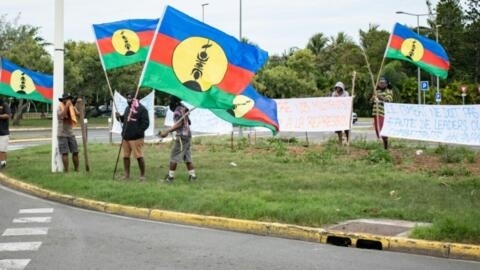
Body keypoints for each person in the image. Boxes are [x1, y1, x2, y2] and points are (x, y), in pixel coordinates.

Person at [159, 95, 196, 183]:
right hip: (187, 135)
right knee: (187, 157)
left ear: (174, 102)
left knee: (174, 156)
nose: (169, 104)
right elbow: (188, 122)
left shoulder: (177, 111)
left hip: (182, 137)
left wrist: (167, 131)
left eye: (170, 101)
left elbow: (179, 124)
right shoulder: (183, 108)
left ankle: (170, 178)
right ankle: (193, 176)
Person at [115, 93, 149, 181]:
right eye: (128, 98)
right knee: (125, 156)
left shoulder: (142, 109)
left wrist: (137, 132)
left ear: (136, 99)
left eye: (130, 98)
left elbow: (146, 124)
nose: (128, 100)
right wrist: (119, 117)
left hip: (136, 138)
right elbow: (124, 119)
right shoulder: (128, 108)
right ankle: (126, 175)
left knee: (138, 156)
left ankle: (142, 175)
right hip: (126, 136)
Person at [58, 93, 80, 172]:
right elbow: (63, 115)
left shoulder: (72, 107)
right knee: (65, 153)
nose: (68, 100)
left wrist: (77, 105)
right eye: (67, 99)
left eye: (69, 99)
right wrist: (67, 106)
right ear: (63, 100)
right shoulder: (59, 107)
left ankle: (77, 169)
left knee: (75, 151)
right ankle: (66, 170)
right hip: (62, 134)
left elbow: (78, 114)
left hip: (71, 133)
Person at [371, 77, 393, 150]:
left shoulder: (389, 91)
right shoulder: (377, 91)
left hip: (383, 113)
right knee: (377, 130)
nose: (381, 84)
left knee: (383, 130)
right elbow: (371, 101)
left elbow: (388, 100)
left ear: (386, 84)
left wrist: (379, 97)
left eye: (383, 83)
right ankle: (381, 146)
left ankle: (385, 146)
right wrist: (373, 96)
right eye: (380, 83)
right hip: (375, 113)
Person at [0, 96, 12, 169]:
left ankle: (3, 163)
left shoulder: (4, 104)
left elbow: (8, 115)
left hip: (3, 131)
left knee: (2, 149)